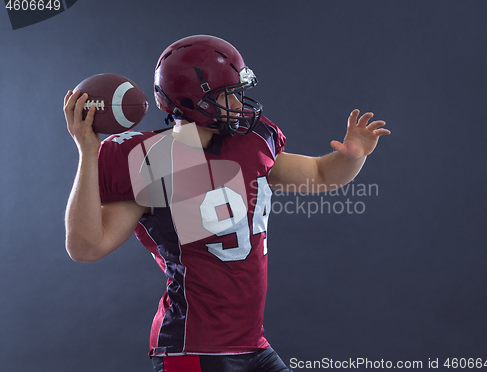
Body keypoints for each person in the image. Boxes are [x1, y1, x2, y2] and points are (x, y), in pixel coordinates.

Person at [63, 35, 390, 372]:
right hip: (192, 347)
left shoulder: (249, 142)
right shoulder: (152, 160)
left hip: (252, 343)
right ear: (190, 102)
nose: (237, 103)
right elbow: (86, 247)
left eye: (237, 92)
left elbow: (321, 175)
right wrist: (88, 152)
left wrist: (352, 157)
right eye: (225, 95)